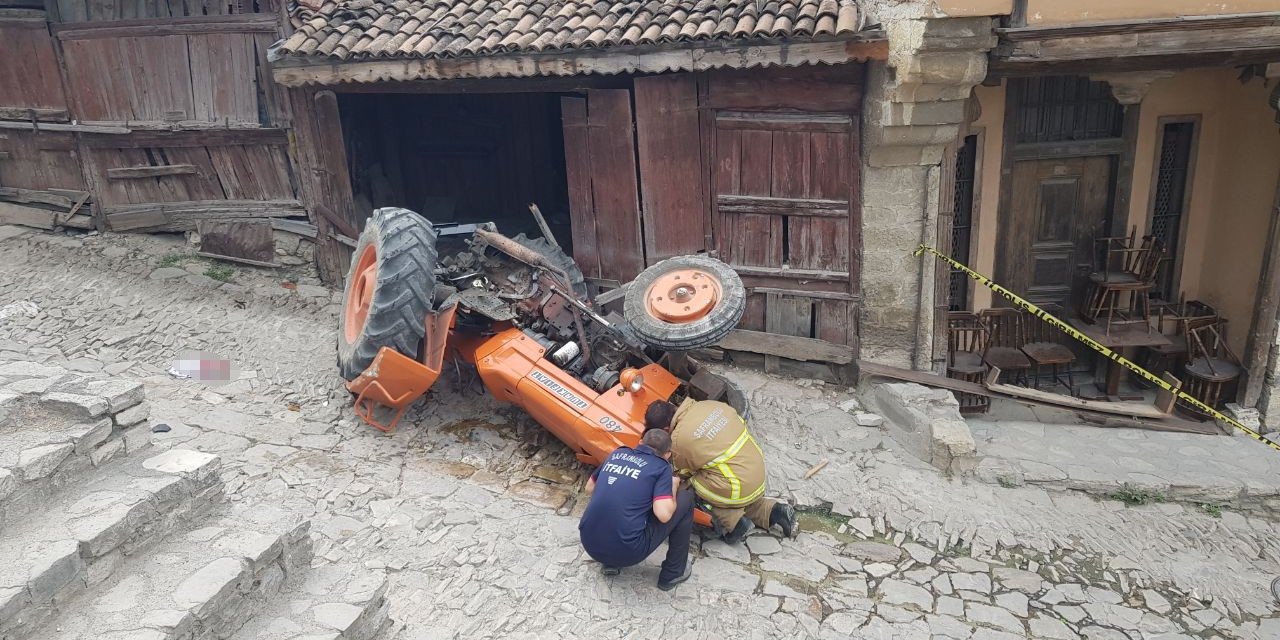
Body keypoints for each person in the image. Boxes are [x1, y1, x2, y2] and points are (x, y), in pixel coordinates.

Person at [645, 399, 797, 544]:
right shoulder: (708, 405)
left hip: (736, 485)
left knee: (686, 488)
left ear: (665, 430)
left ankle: (735, 524)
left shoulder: (679, 440)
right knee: (727, 488)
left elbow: (680, 473)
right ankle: (775, 511)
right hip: (756, 472)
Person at [578, 428, 694, 590]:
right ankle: (673, 573)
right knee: (686, 499)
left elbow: (590, 488)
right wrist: (673, 485)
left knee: (628, 500)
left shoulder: (617, 454)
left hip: (589, 543)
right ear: (667, 455)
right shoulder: (661, 467)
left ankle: (609, 563)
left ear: (640, 442)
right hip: (628, 553)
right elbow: (663, 515)